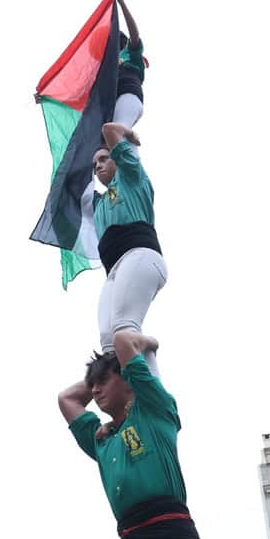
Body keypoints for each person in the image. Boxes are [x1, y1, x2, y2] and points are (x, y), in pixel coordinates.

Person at [58, 331, 207, 539]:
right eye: (92, 385)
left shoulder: (153, 411)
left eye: (103, 381)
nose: (94, 390)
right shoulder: (103, 440)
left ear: (128, 378)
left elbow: (123, 340)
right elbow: (67, 399)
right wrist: (101, 372)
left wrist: (149, 346)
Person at [93, 120, 165, 376]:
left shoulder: (132, 177)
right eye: (94, 165)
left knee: (125, 328)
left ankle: (155, 400)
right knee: (109, 341)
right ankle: (126, 401)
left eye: (103, 159)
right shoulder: (100, 203)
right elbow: (69, 182)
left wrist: (128, 134)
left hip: (140, 256)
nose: (98, 166)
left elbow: (109, 129)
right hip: (115, 268)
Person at [110, 0, 147, 136]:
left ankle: (131, 136)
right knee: (103, 151)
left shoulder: (130, 53)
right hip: (111, 105)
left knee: (115, 131)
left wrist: (122, 3)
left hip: (129, 95)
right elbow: (80, 95)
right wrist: (51, 98)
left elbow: (134, 35)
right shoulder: (102, 68)